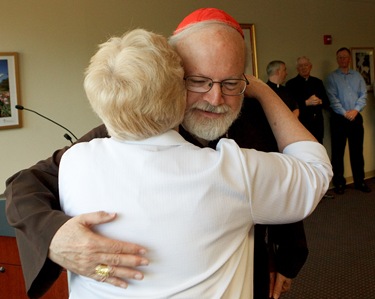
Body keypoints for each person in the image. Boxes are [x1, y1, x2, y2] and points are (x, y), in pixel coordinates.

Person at [5, 8, 324, 299]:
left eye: (231, 83)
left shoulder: (254, 116)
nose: (216, 99)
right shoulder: (134, 125)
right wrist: (55, 236)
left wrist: (288, 258)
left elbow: (285, 182)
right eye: (198, 81)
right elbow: (24, 184)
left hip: (249, 264)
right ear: (171, 78)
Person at [325, 47, 371, 195]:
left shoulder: (358, 76)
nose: (342, 60)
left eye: (345, 57)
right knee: (338, 153)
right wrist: (345, 113)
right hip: (339, 119)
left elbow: (363, 95)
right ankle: (339, 183)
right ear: (337, 59)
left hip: (356, 118)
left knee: (357, 151)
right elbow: (332, 99)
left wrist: (355, 111)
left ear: (349, 58)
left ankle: (360, 181)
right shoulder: (332, 77)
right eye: (340, 57)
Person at [286, 56, 330, 144]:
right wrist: (306, 103)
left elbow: (327, 102)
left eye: (306, 65)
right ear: (297, 69)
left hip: (317, 125)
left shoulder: (317, 82)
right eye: (301, 66)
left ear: (310, 66)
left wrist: (319, 101)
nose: (304, 68)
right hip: (301, 124)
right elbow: (289, 106)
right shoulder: (291, 84)